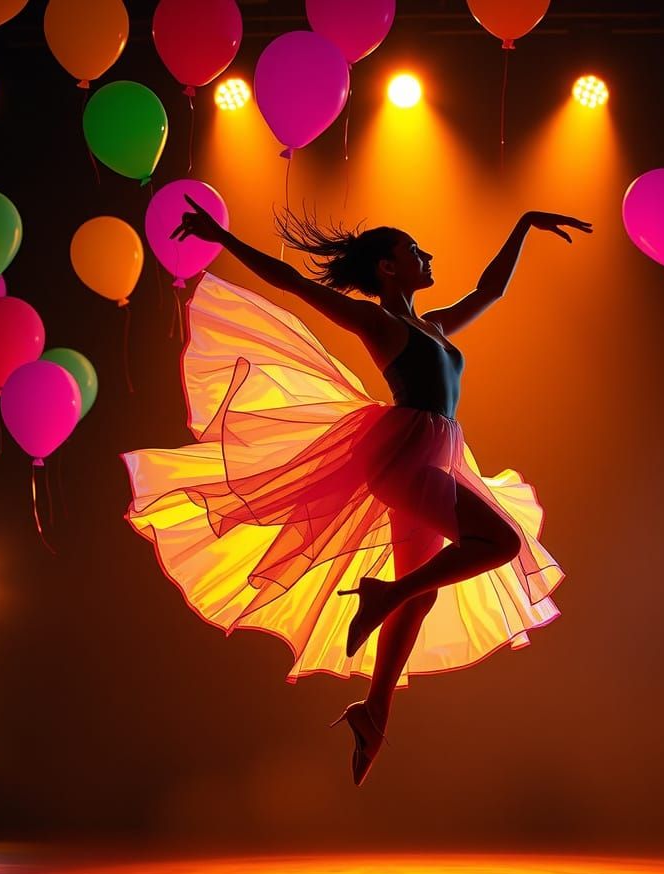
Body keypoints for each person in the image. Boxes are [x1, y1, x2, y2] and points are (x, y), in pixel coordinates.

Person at [124, 198, 591, 786]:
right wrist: (223, 237)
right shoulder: (380, 324)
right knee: (499, 540)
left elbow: (489, 291)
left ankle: (374, 713)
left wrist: (522, 223)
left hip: (428, 455)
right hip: (402, 456)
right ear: (387, 269)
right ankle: (383, 596)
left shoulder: (434, 325)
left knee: (422, 594)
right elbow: (293, 283)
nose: (427, 255)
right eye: (414, 249)